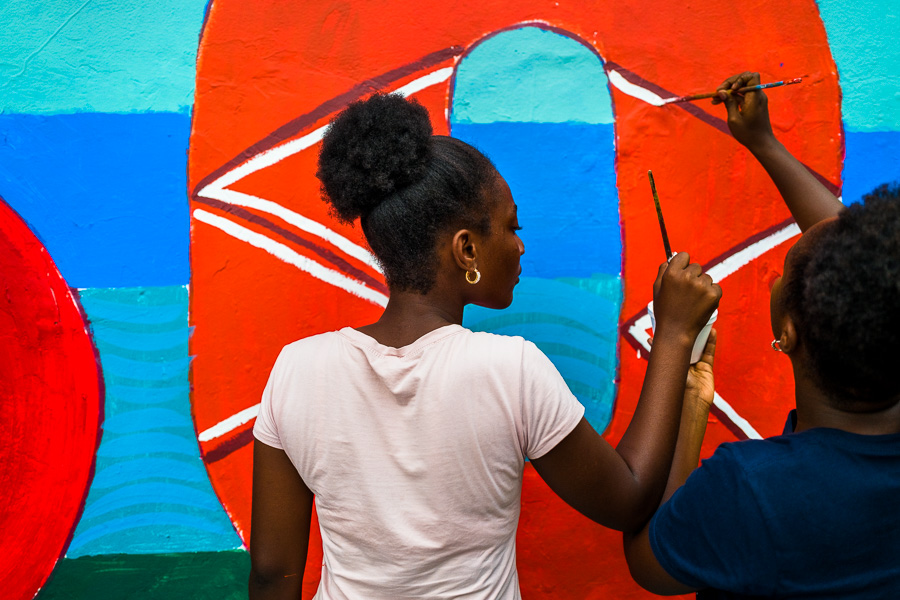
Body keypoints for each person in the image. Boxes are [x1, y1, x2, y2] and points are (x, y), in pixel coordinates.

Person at [248, 92, 721, 599]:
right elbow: (628, 497)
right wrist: (672, 335)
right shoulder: (507, 369)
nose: (520, 245)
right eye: (511, 226)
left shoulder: (298, 369)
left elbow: (274, 572)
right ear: (466, 248)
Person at [624, 72, 900, 598]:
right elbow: (869, 263)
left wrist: (678, 359)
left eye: (785, 275)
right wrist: (763, 142)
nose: (776, 277)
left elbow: (649, 562)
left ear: (788, 333)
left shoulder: (751, 489)